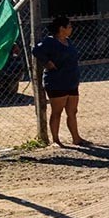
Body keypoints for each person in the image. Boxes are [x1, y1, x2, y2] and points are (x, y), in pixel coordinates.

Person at [32, 16, 87, 147]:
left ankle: (76, 138)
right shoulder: (50, 42)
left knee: (72, 111)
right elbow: (36, 50)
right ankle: (56, 140)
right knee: (57, 112)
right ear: (61, 28)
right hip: (57, 82)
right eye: (69, 26)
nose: (71, 29)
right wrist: (47, 63)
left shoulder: (68, 41)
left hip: (71, 81)